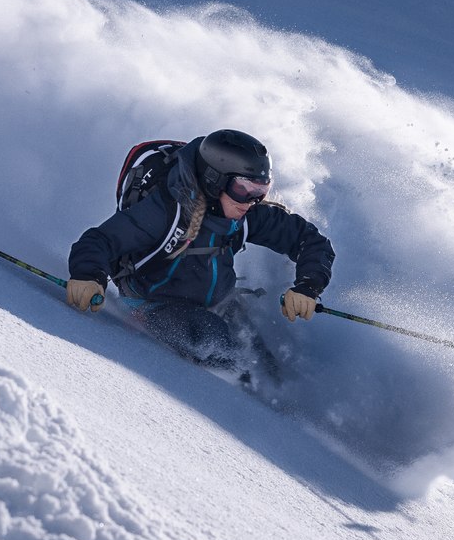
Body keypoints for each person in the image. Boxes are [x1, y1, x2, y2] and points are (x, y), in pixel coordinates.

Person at [67, 129, 335, 379]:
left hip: (219, 303)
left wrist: (308, 286)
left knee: (268, 368)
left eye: (260, 191)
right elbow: (99, 241)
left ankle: (283, 414)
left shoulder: (247, 212)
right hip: (155, 305)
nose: (252, 201)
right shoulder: (164, 212)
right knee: (220, 348)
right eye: (243, 189)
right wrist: (88, 275)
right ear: (214, 181)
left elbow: (310, 241)